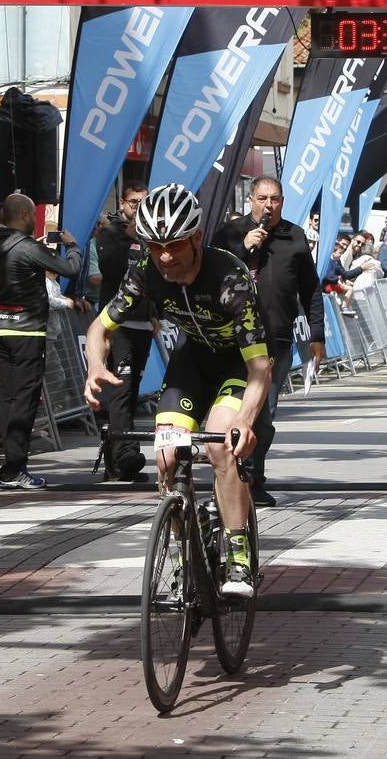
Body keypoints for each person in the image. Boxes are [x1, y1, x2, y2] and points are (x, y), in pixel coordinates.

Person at [84, 184, 270, 598]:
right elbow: (100, 326)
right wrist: (96, 364)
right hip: (191, 364)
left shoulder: (229, 278)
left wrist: (245, 419)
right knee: (167, 455)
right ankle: (188, 554)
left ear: (197, 238)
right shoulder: (146, 273)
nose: (165, 257)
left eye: (174, 245)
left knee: (221, 444)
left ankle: (238, 551)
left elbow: (260, 367)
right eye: (155, 247)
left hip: (237, 365)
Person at [213, 176, 324, 508]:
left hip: (275, 339)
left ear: (282, 202)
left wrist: (317, 335)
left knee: (264, 412)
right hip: (232, 339)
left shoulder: (295, 236)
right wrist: (240, 247)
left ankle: (253, 477)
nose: (268, 206)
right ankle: (227, 473)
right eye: (262, 199)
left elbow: (311, 289)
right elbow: (211, 272)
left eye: (275, 199)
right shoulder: (231, 233)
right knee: (230, 409)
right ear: (251, 200)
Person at [0, 193, 82, 489]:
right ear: (25, 215)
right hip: (27, 331)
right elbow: (69, 270)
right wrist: (72, 245)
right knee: (25, 401)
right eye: (33, 216)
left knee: (8, 399)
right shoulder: (26, 247)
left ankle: (10, 466)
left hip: (0, 328)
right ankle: (16, 467)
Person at [93, 181, 152, 483]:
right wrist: (129, 236)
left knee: (131, 393)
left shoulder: (150, 236)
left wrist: (157, 315)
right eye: (133, 203)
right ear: (123, 204)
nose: (138, 208)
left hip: (143, 323)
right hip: (117, 323)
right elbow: (111, 269)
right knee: (120, 388)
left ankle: (119, 455)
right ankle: (125, 454)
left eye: (144, 202)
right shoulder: (112, 235)